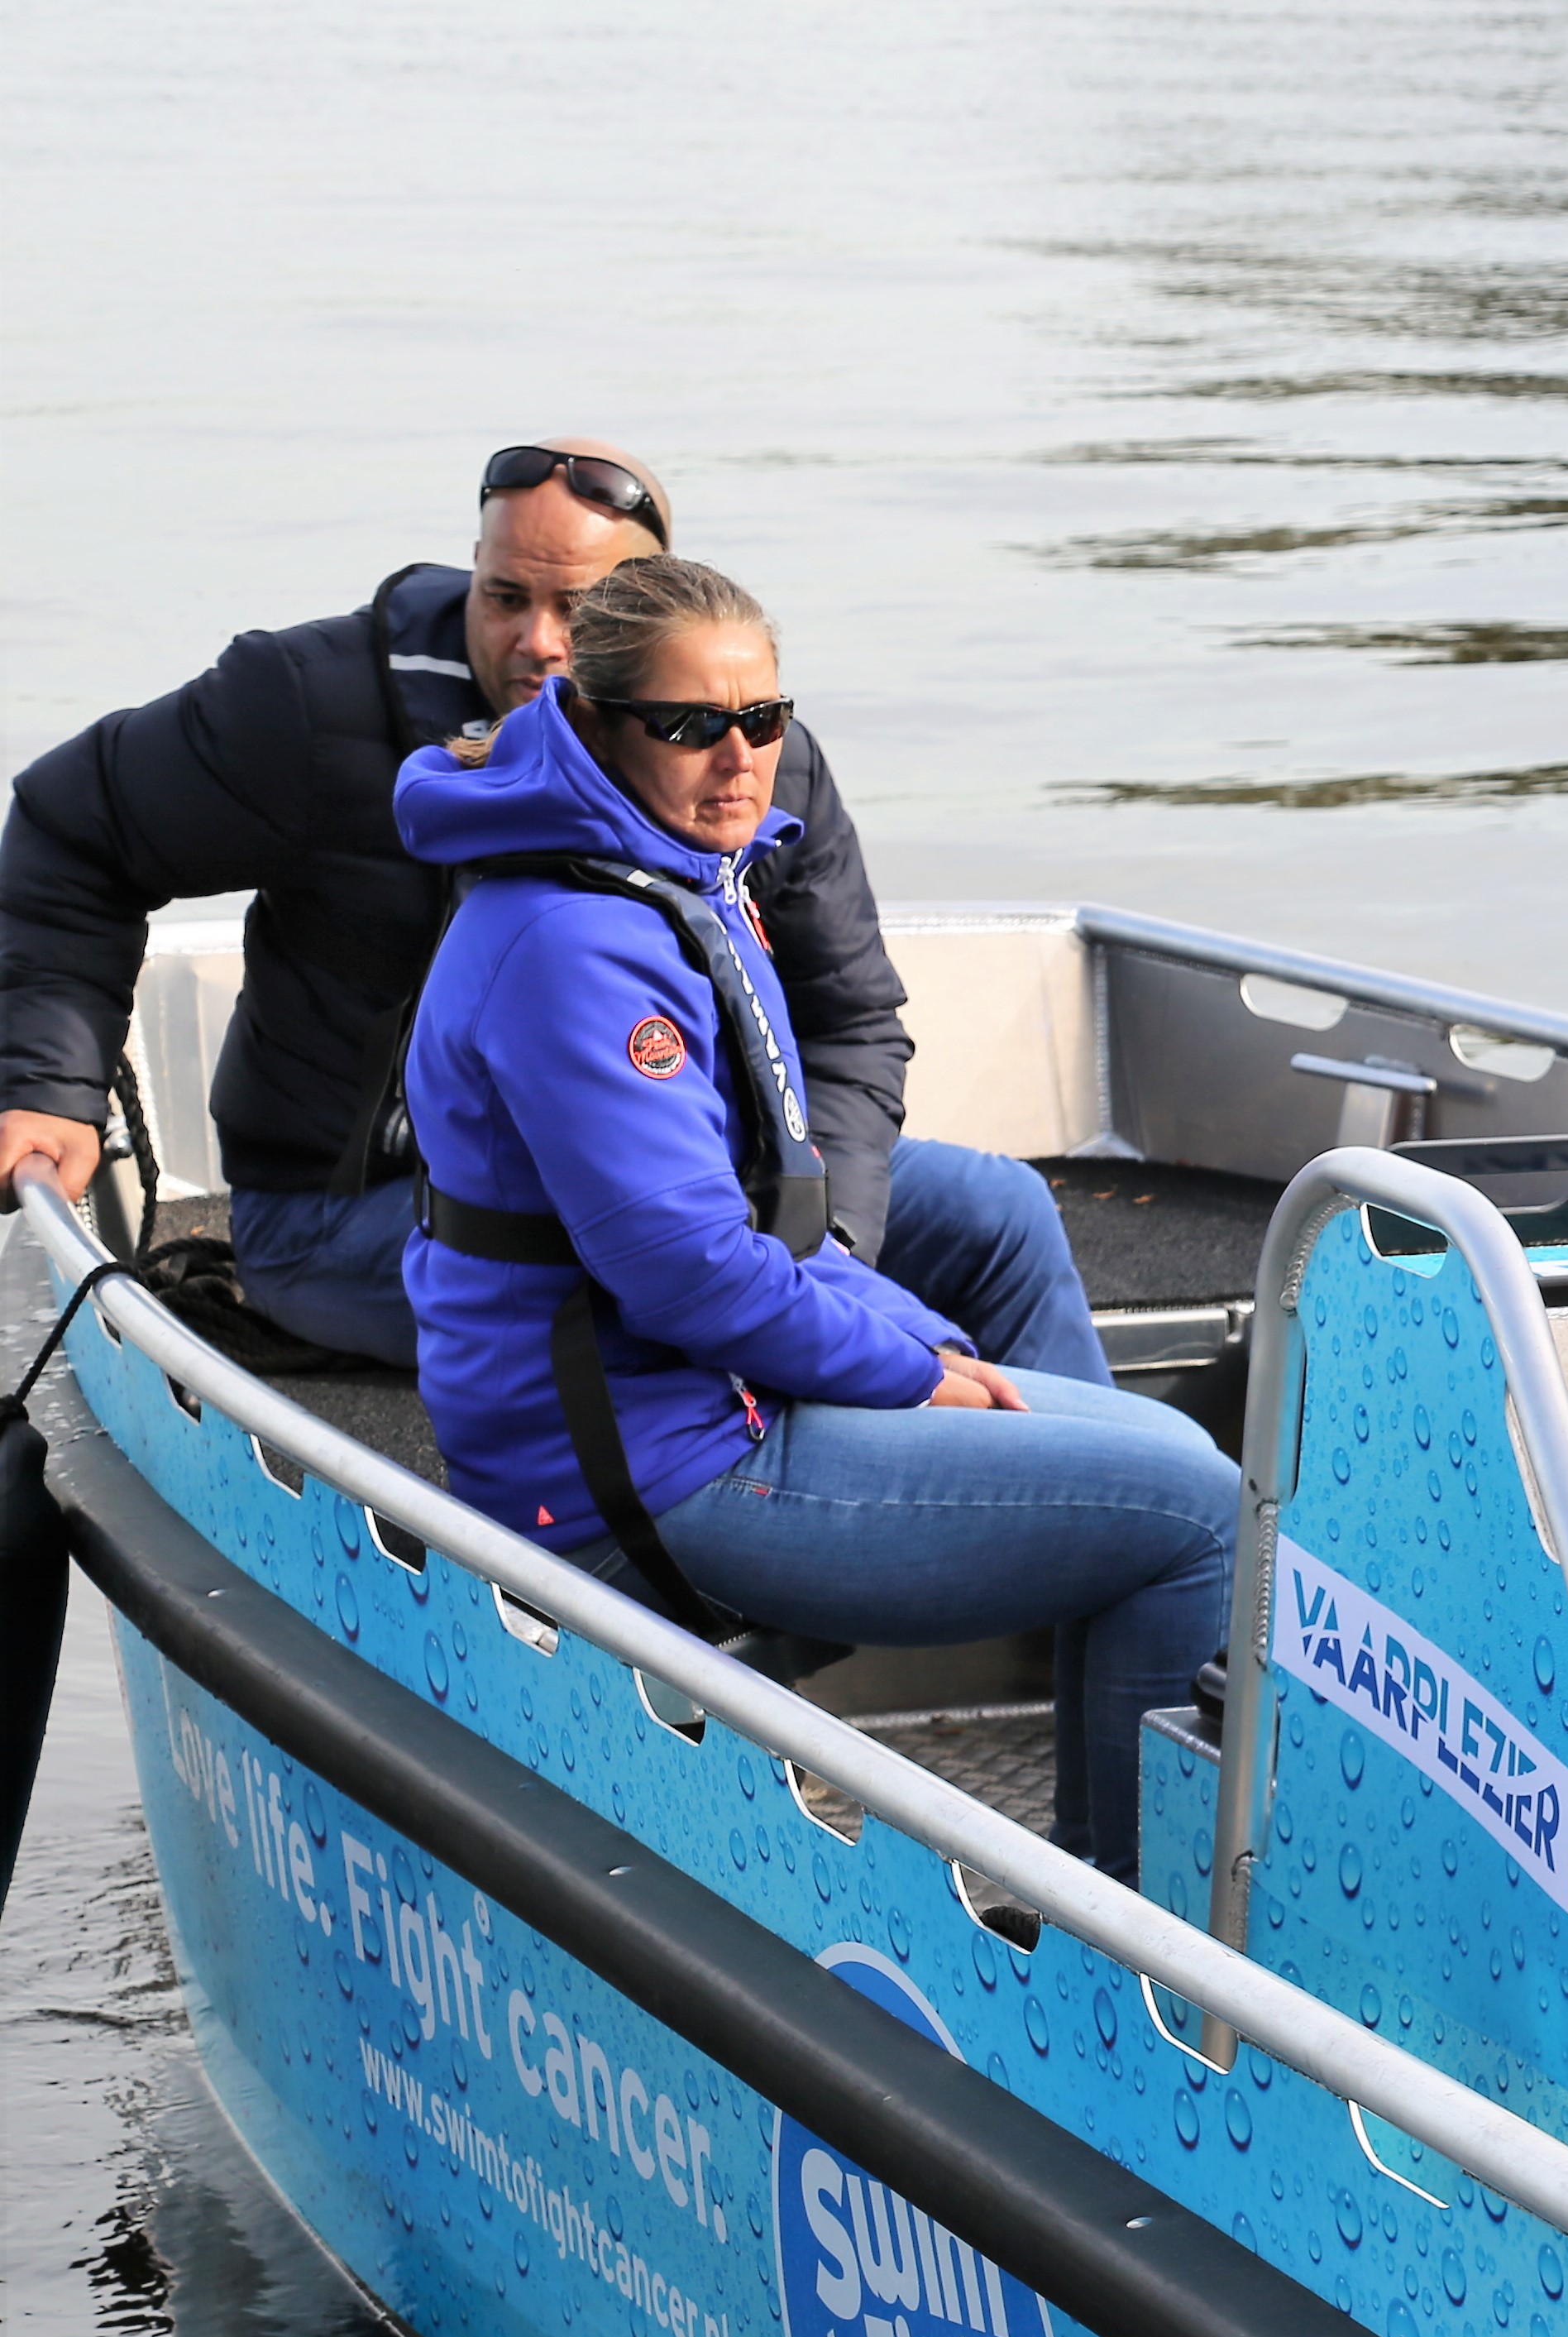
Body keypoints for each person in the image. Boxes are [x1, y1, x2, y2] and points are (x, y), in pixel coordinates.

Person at [391, 558, 1226, 1879]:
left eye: (762, 720)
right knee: (1195, 1513)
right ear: (599, 727)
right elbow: (688, 1274)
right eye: (689, 726)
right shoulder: (573, 943)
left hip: (695, 1396)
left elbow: (773, 1222)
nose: (740, 760)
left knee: (1161, 1463)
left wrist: (923, 1341)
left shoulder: (665, 873)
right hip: (642, 1469)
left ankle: (1102, 1832)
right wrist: (910, 1372)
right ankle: (1142, 1959)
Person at [0, 438, 1104, 1385]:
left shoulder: (747, 749)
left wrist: (833, 1242)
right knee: (672, 1280)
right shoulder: (307, 707)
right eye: (505, 596)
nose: (535, 641)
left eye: (578, 609)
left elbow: (849, 1020)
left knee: (999, 1214)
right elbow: (71, 830)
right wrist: (49, 1082)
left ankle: (1116, 1549)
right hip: (356, 1220)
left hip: (686, 1173)